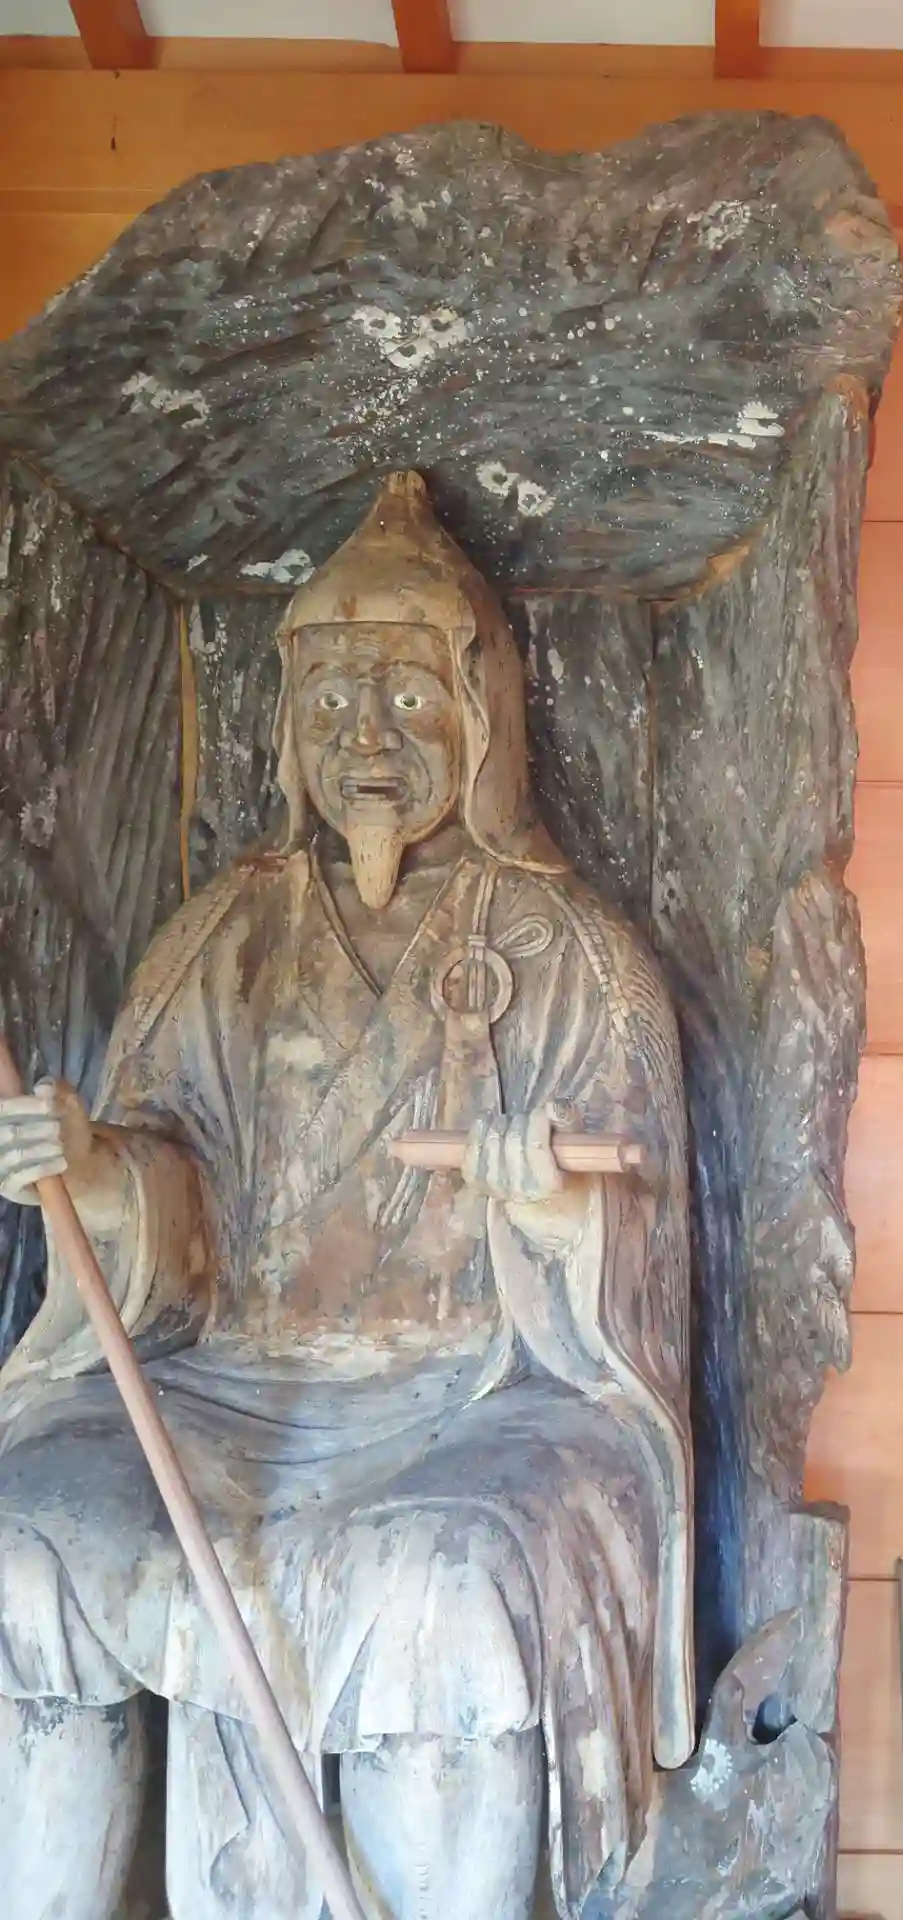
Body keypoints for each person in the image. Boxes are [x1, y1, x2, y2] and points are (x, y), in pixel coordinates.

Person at [0, 472, 694, 1919]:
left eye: (407, 700)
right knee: (25, 1543)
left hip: (482, 1396)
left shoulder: (573, 953)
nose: (364, 740)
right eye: (329, 704)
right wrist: (101, 1174)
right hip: (229, 1389)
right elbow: (171, 1185)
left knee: (432, 1579)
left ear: (482, 719)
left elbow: (635, 1245)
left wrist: (549, 1214)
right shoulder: (216, 939)